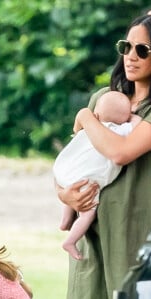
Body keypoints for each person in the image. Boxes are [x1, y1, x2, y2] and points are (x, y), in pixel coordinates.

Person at [55, 13, 151, 299]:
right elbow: (77, 157)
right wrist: (65, 195)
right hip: (95, 236)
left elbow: (121, 152)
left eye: (142, 50)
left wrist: (86, 117)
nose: (130, 56)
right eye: (127, 46)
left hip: (145, 237)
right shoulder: (106, 98)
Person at [53, 91, 141, 260]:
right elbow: (137, 125)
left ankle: (65, 219)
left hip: (63, 171)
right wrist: (132, 117)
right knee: (88, 212)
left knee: (73, 188)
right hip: (86, 179)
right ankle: (70, 241)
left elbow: (76, 131)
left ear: (96, 114)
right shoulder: (119, 130)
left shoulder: (89, 128)